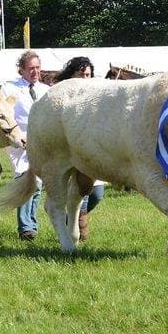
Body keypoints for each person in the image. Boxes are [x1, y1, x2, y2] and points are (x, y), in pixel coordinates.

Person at [2, 50, 50, 241]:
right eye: (31, 68)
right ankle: (26, 227)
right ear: (21, 70)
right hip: (19, 139)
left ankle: (31, 223)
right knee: (25, 178)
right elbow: (4, 112)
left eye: (37, 68)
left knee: (37, 182)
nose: (35, 72)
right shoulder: (9, 88)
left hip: (42, 140)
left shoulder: (46, 89)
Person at [56, 56, 105, 241]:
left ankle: (73, 218)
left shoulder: (98, 97)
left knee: (97, 194)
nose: (85, 78)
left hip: (93, 151)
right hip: (68, 151)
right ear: (71, 76)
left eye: (88, 75)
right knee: (77, 191)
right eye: (81, 74)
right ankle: (76, 225)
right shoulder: (61, 97)